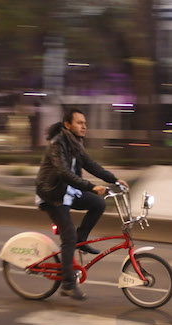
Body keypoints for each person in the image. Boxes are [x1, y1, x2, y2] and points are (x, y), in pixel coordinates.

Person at [35, 108, 129, 300]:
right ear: (68, 125)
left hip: (67, 191)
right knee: (68, 237)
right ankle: (68, 285)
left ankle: (81, 239)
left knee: (98, 204)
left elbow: (91, 165)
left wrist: (115, 180)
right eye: (79, 123)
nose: (84, 126)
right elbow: (63, 172)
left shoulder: (75, 145)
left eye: (85, 123)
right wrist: (91, 186)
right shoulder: (57, 145)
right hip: (53, 195)